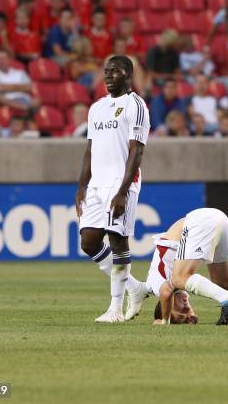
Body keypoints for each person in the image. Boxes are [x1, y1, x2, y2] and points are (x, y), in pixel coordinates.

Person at [75, 56, 151, 323]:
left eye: (114, 72)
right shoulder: (96, 108)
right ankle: (135, 288)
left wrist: (122, 191)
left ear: (128, 75)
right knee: (89, 241)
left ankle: (115, 309)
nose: (107, 76)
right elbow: (90, 149)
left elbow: (137, 150)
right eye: (106, 71)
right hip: (96, 185)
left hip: (121, 183)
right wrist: (81, 186)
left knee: (118, 241)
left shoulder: (136, 105)